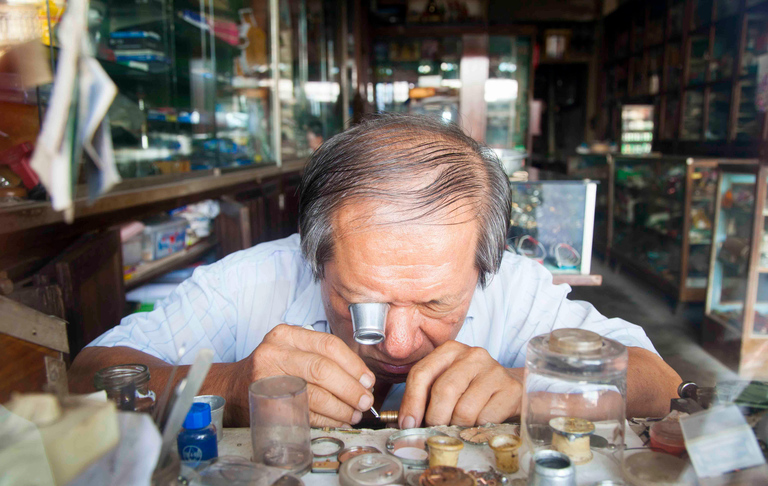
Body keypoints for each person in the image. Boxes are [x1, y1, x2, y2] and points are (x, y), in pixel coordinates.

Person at [69, 114, 682, 428]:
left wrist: (535, 389)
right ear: (315, 258)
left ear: (485, 267)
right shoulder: (254, 281)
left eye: (438, 305)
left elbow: (661, 385)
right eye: (359, 300)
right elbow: (86, 377)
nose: (395, 343)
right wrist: (229, 389)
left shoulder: (518, 289)